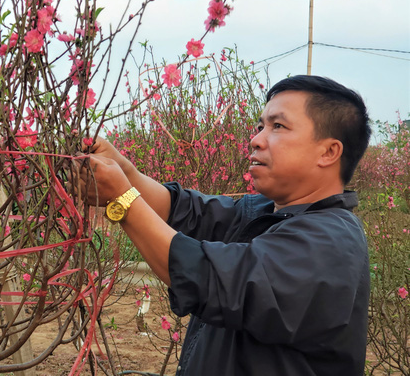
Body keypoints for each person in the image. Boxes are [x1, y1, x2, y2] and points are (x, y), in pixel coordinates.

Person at [80, 75, 371, 376]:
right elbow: (188, 212)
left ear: (328, 152)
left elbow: (214, 280)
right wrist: (126, 172)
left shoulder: (330, 241)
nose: (257, 139)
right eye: (261, 126)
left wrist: (123, 201)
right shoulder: (266, 213)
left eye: (278, 126)